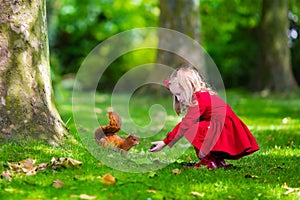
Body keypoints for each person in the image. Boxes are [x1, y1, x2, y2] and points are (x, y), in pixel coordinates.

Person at [149, 66, 259, 169]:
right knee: (198, 127)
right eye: (175, 95)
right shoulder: (203, 95)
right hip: (221, 128)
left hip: (223, 129)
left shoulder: (199, 100)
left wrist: (165, 142)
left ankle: (208, 160)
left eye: (179, 94)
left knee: (192, 129)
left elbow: (186, 124)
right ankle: (216, 160)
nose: (179, 98)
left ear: (188, 88)